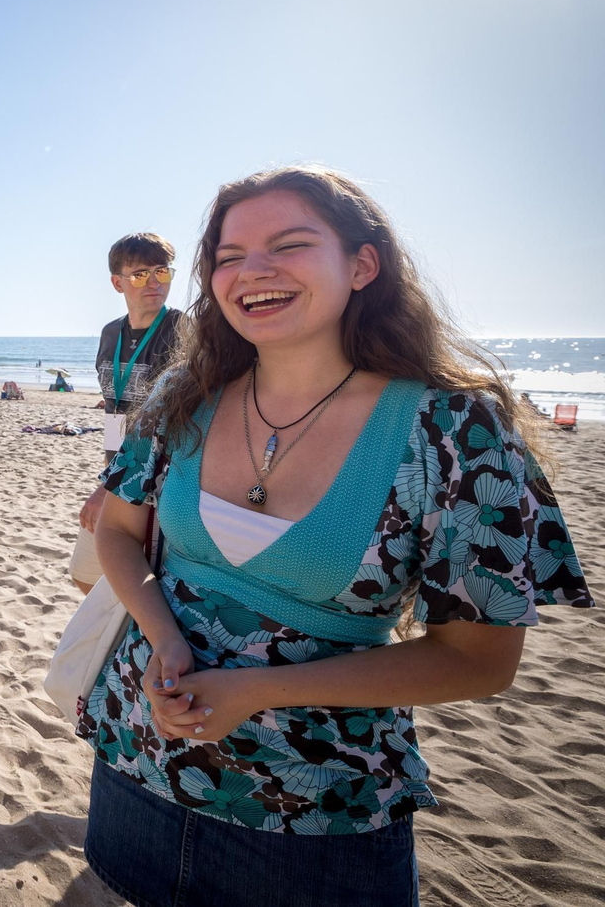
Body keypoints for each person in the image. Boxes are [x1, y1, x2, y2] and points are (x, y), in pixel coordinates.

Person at [80, 167, 592, 906]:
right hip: (138, 755)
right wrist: (164, 635)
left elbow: (480, 661)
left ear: (361, 264)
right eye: (229, 256)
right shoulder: (181, 398)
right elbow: (120, 534)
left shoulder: (453, 429)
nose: (254, 270)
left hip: (316, 817)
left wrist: (257, 691)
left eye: (289, 244)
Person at [71, 232, 186, 595]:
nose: (154, 283)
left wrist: (110, 487)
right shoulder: (110, 333)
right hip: (116, 474)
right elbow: (114, 411)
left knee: (137, 586)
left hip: (164, 483)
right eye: (139, 275)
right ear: (117, 282)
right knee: (85, 576)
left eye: (162, 272)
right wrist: (109, 476)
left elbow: (171, 423)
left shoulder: (185, 330)